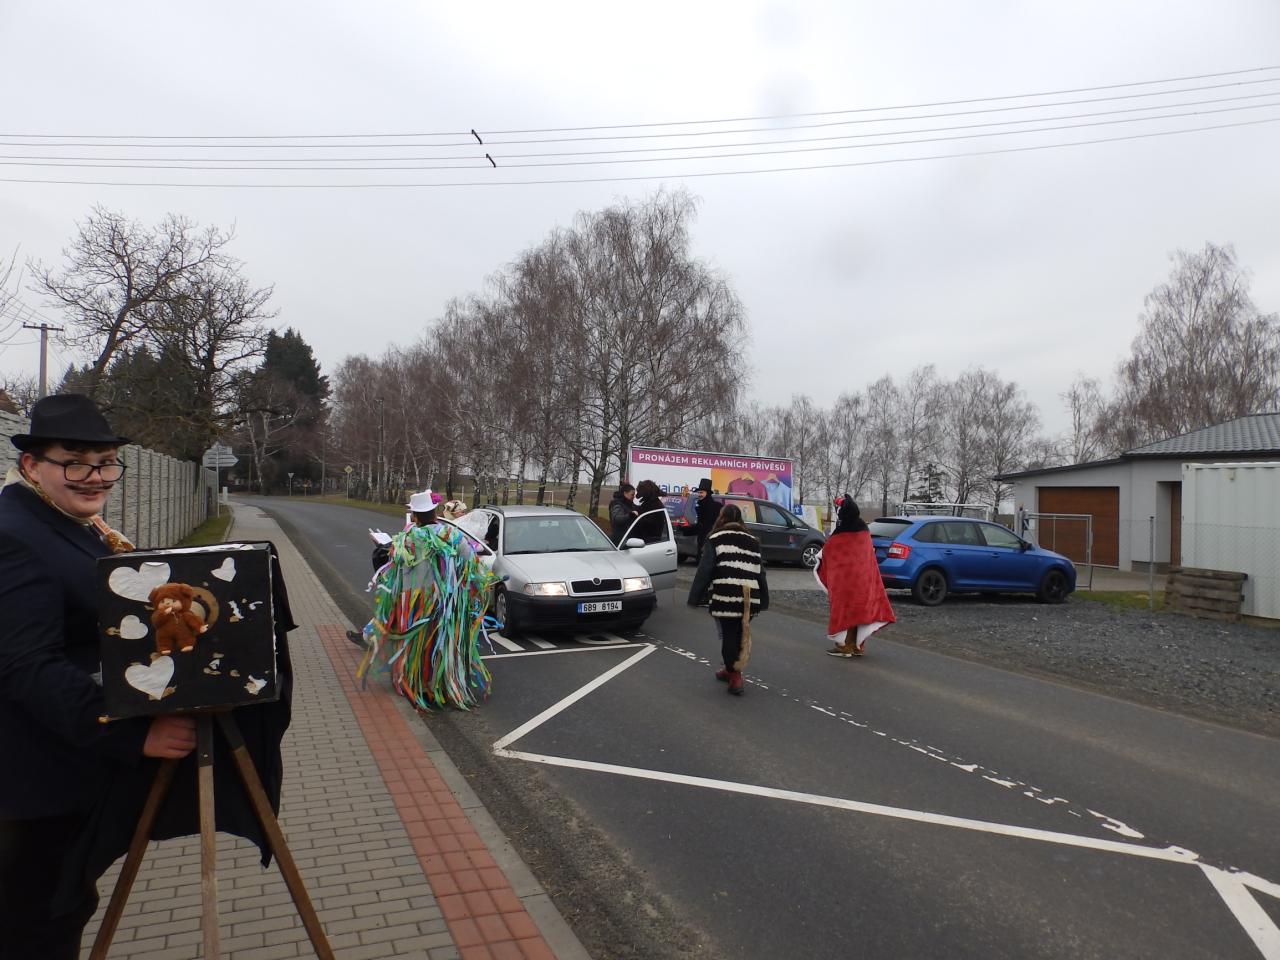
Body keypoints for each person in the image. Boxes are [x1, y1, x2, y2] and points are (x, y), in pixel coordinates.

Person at [0, 394, 198, 958]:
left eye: (106, 462)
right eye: (75, 462)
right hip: (31, 789)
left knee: (61, 911)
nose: (95, 477)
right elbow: (27, 666)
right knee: (36, 928)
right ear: (32, 464)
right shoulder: (14, 536)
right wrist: (134, 734)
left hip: (61, 773)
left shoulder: (66, 522)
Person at [358, 489, 500, 710]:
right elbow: (470, 561)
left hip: (413, 602)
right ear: (434, 512)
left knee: (418, 644)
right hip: (444, 601)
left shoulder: (406, 538)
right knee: (441, 643)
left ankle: (421, 687)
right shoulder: (451, 534)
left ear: (415, 516)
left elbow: (395, 566)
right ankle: (441, 685)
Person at [687, 504, 769, 695]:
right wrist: (764, 600)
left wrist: (695, 597)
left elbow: (705, 570)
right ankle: (730, 669)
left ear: (722, 518)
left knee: (729, 634)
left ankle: (735, 676)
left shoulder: (715, 538)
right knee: (739, 633)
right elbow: (761, 573)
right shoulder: (753, 541)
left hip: (726, 595)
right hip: (749, 597)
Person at [815, 496, 896, 657]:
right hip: (863, 579)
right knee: (859, 611)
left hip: (845, 581)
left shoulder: (842, 532)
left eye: (839, 509)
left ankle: (845, 647)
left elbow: (829, 551)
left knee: (845, 611)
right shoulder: (864, 531)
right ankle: (856, 645)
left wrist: (820, 557)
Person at [692, 477, 723, 557]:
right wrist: (683, 530)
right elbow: (699, 527)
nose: (699, 495)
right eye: (699, 493)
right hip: (702, 542)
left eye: (701, 492)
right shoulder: (701, 506)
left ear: (707, 493)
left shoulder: (716, 507)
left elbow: (707, 526)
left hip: (711, 542)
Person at [630, 479, 668, 544]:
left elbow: (646, 521)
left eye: (639, 491)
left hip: (650, 541)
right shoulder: (651, 502)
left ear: (645, 492)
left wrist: (635, 516)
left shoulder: (655, 505)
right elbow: (641, 510)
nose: (636, 495)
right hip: (648, 539)